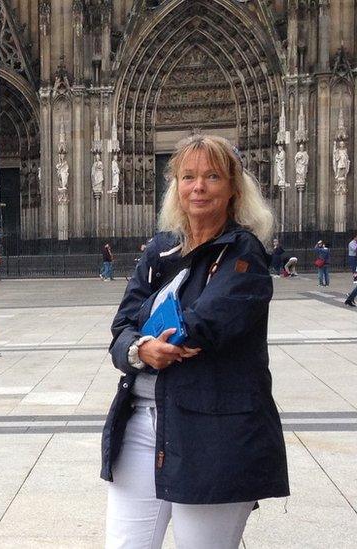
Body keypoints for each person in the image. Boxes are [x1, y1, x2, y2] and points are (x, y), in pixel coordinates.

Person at [103, 134, 288, 549]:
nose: (198, 187)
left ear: (233, 188)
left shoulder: (244, 253)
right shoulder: (161, 250)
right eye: (188, 176)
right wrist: (139, 349)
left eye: (211, 176)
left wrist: (147, 333)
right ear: (175, 185)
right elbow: (120, 331)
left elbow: (206, 323)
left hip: (214, 430)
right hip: (141, 424)